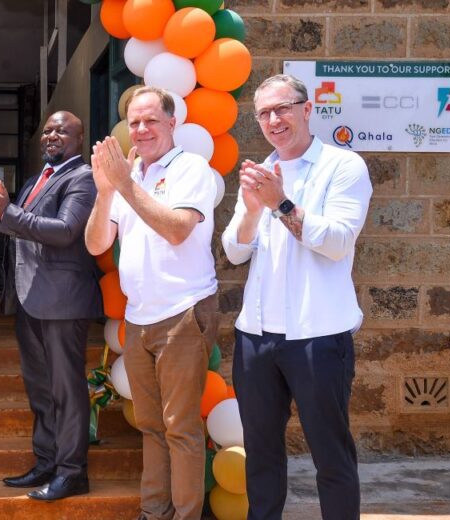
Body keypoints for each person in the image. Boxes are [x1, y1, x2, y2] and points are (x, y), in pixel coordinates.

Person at [221, 74, 371, 519]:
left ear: (307, 110)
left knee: (331, 456)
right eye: (264, 113)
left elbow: (339, 242)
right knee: (261, 455)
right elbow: (233, 250)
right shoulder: (261, 172)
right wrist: (251, 211)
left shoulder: (343, 167)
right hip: (256, 337)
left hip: (318, 336)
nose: (273, 120)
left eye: (282, 108)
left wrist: (281, 204)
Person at [84, 86, 218, 520]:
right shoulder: (131, 175)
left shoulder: (190, 168)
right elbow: (96, 243)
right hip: (140, 317)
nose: (141, 130)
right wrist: (106, 192)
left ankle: (184, 515)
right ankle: (152, 512)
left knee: (180, 428)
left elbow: (178, 229)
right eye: (134, 122)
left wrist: (124, 183)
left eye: (151, 121)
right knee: (151, 427)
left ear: (172, 123)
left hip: (183, 312)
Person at [0, 111, 102, 501]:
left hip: (63, 302)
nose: (52, 136)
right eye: (47, 130)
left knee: (67, 390)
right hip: (29, 299)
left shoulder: (83, 178)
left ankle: (73, 472)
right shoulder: (35, 179)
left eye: (62, 130)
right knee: (40, 390)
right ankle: (46, 462)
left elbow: (64, 231)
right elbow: (14, 228)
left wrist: (6, 212)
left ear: (79, 138)